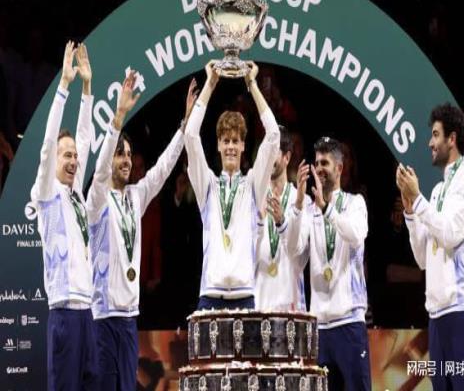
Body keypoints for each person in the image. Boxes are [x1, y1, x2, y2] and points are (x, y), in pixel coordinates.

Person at [86, 72, 196, 390]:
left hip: (129, 318)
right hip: (102, 318)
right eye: (119, 154)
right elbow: (100, 169)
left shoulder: (136, 196)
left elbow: (162, 168)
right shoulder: (97, 200)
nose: (125, 160)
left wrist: (184, 125)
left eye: (128, 154)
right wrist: (118, 118)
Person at [396, 102, 464, 391]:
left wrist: (418, 200)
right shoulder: (437, 192)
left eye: (435, 135)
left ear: (452, 138)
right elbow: (423, 258)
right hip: (437, 315)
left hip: (461, 310)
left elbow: (449, 234)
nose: (430, 143)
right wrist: (411, 212)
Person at [184, 61, 280, 311]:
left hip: (244, 294)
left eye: (235, 141)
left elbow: (273, 136)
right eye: (225, 140)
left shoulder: (253, 185)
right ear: (218, 145)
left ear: (243, 146)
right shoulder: (208, 185)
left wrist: (252, 84)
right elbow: (190, 136)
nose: (230, 147)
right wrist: (210, 83)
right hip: (209, 294)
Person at [30, 41, 97, 390]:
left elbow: (84, 138)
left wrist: (88, 88)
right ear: (55, 160)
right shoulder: (47, 194)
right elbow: (46, 147)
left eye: (74, 157)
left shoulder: (76, 195)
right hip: (64, 313)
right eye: (66, 155)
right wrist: (65, 87)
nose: (73, 160)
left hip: (87, 313)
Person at [289, 136, 371, 390]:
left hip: (350, 321)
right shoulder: (309, 211)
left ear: (339, 168)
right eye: (316, 163)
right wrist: (298, 205)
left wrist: (327, 210)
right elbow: (295, 253)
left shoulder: (355, 203)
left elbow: (356, 234)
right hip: (320, 327)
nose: (319, 169)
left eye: (325, 163)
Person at [254, 125, 307, 311]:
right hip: (258, 305)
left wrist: (282, 222)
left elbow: (298, 253)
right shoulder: (254, 198)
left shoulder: (302, 201)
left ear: (287, 157)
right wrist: (259, 224)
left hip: (290, 308)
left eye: (274, 151)